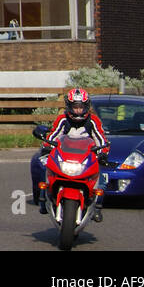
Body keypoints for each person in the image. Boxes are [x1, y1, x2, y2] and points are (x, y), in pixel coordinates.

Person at [41, 87, 110, 221]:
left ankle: (97, 207)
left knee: (101, 178)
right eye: (75, 107)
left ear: (86, 106)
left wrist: (102, 153)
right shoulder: (62, 120)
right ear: (69, 107)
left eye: (81, 107)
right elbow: (53, 135)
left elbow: (101, 139)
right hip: (65, 157)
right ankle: (44, 198)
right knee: (44, 167)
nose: (78, 110)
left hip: (86, 159)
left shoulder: (93, 121)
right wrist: (46, 147)